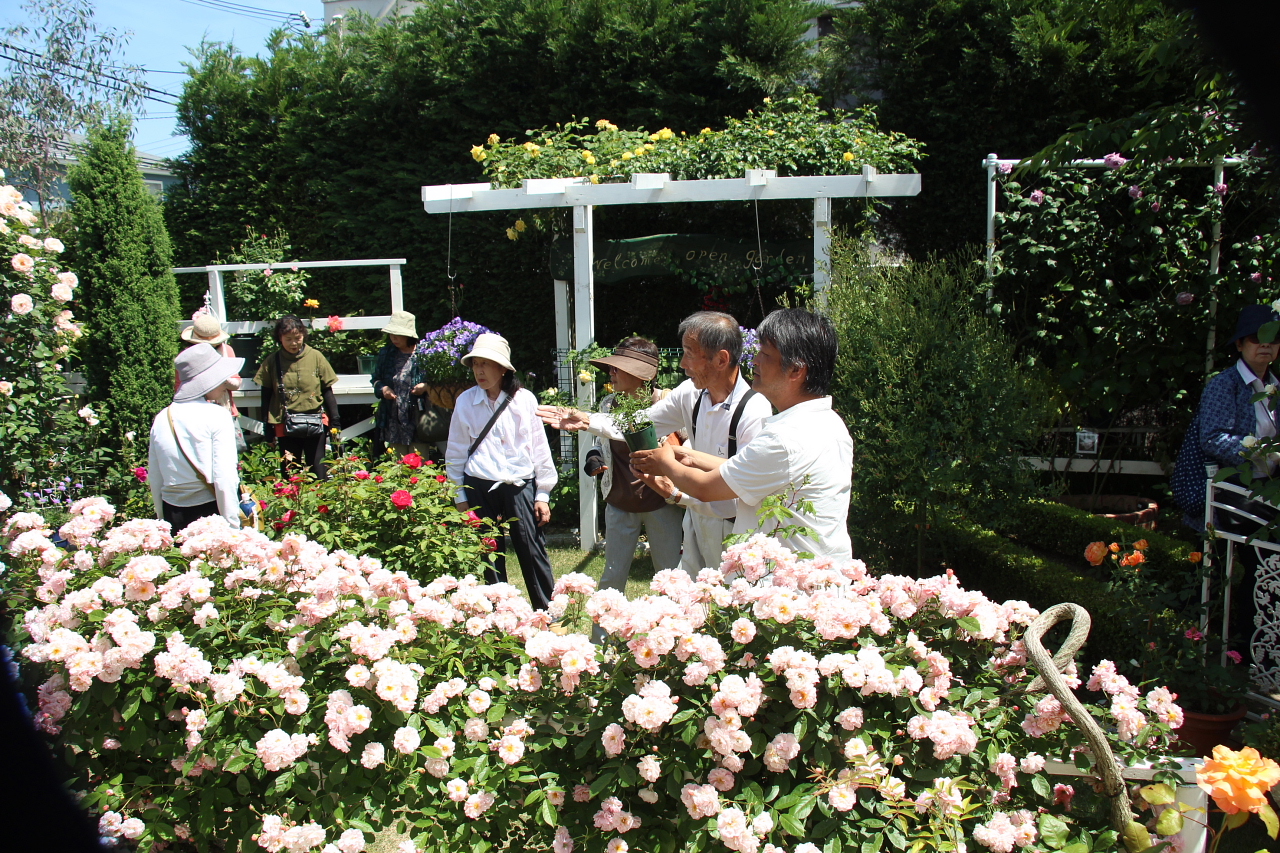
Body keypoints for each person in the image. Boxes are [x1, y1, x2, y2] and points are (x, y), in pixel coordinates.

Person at [540, 311, 772, 574]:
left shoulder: (754, 410)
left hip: (735, 528)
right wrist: (587, 420)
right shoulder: (690, 394)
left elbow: (747, 481)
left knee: (734, 603)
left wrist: (674, 484)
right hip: (695, 520)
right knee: (691, 601)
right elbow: (641, 421)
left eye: (689, 353)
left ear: (721, 359)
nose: (683, 364)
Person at [631, 308, 853, 559]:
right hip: (819, 574)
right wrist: (691, 458)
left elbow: (706, 488)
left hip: (790, 582)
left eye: (765, 354)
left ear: (796, 370)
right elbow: (748, 469)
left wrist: (666, 464)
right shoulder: (829, 422)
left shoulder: (783, 439)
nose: (754, 361)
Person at [446, 332, 557, 609]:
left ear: (503, 368)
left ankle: (548, 612)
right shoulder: (465, 401)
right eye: (475, 364)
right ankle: (496, 612)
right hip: (479, 484)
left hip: (519, 484)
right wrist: (460, 495)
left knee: (531, 549)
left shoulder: (524, 400)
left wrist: (542, 493)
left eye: (486, 363)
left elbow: (539, 448)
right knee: (488, 552)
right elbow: (456, 450)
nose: (479, 371)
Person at [581, 338, 685, 599]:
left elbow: (690, 445)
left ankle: (676, 636)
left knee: (670, 578)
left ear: (641, 374)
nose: (611, 373)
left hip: (662, 503)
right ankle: (601, 640)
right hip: (619, 503)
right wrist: (593, 457)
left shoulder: (667, 402)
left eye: (618, 368)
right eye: (611, 368)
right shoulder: (608, 404)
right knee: (611, 579)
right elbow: (601, 442)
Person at [148, 345, 244, 532]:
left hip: (172, 513)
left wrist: (162, 520)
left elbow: (155, 475)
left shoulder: (162, 416)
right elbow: (224, 477)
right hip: (210, 512)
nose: (225, 383)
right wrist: (233, 526)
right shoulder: (217, 415)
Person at [254, 315, 340, 480]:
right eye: (288, 339)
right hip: (285, 421)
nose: (294, 343)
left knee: (318, 470)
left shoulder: (316, 356)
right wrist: (267, 428)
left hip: (314, 419)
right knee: (290, 472)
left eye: (297, 338)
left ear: (304, 336)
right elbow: (266, 396)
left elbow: (327, 390)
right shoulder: (272, 361)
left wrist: (335, 421)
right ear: (280, 338)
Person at [180, 311, 245, 450]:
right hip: (197, 413)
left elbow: (236, 383)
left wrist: (222, 378)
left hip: (225, 410)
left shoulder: (227, 351)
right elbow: (179, 387)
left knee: (228, 453)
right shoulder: (187, 357)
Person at [371, 310, 431, 458]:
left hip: (417, 418)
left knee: (419, 464)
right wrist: (383, 388)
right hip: (394, 419)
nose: (393, 338)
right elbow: (376, 379)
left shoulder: (424, 354)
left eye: (398, 334)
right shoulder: (386, 354)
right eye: (391, 334)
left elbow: (438, 384)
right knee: (398, 465)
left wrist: (426, 387)